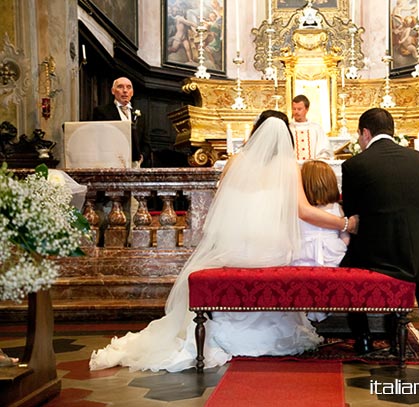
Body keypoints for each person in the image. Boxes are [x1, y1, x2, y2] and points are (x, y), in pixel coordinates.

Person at [89, 110, 356, 372]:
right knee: (290, 255)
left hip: (235, 251)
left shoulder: (236, 161)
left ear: (256, 131)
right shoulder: (288, 166)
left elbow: (220, 206)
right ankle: (267, 335)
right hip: (272, 253)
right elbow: (304, 211)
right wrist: (346, 224)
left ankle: (222, 331)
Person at [340, 108, 419, 357]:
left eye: (359, 136)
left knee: (349, 261)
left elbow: (353, 217)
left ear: (365, 133)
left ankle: (363, 338)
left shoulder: (354, 165)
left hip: (378, 253)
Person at [291, 160, 349, 322]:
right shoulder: (337, 208)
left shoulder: (297, 209)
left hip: (301, 258)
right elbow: (345, 237)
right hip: (331, 259)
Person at [92, 77, 152, 168]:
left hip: (136, 165)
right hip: (112, 164)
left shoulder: (140, 115)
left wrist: (142, 157)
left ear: (132, 92)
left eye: (128, 87)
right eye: (120, 87)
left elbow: (146, 143)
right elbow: (98, 141)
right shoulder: (102, 112)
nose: (125, 91)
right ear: (113, 91)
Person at [290, 95, 333, 160]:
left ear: (307, 109)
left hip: (312, 168)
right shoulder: (288, 128)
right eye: (294, 109)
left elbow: (324, 150)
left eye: (299, 109)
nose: (296, 112)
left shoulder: (316, 128)